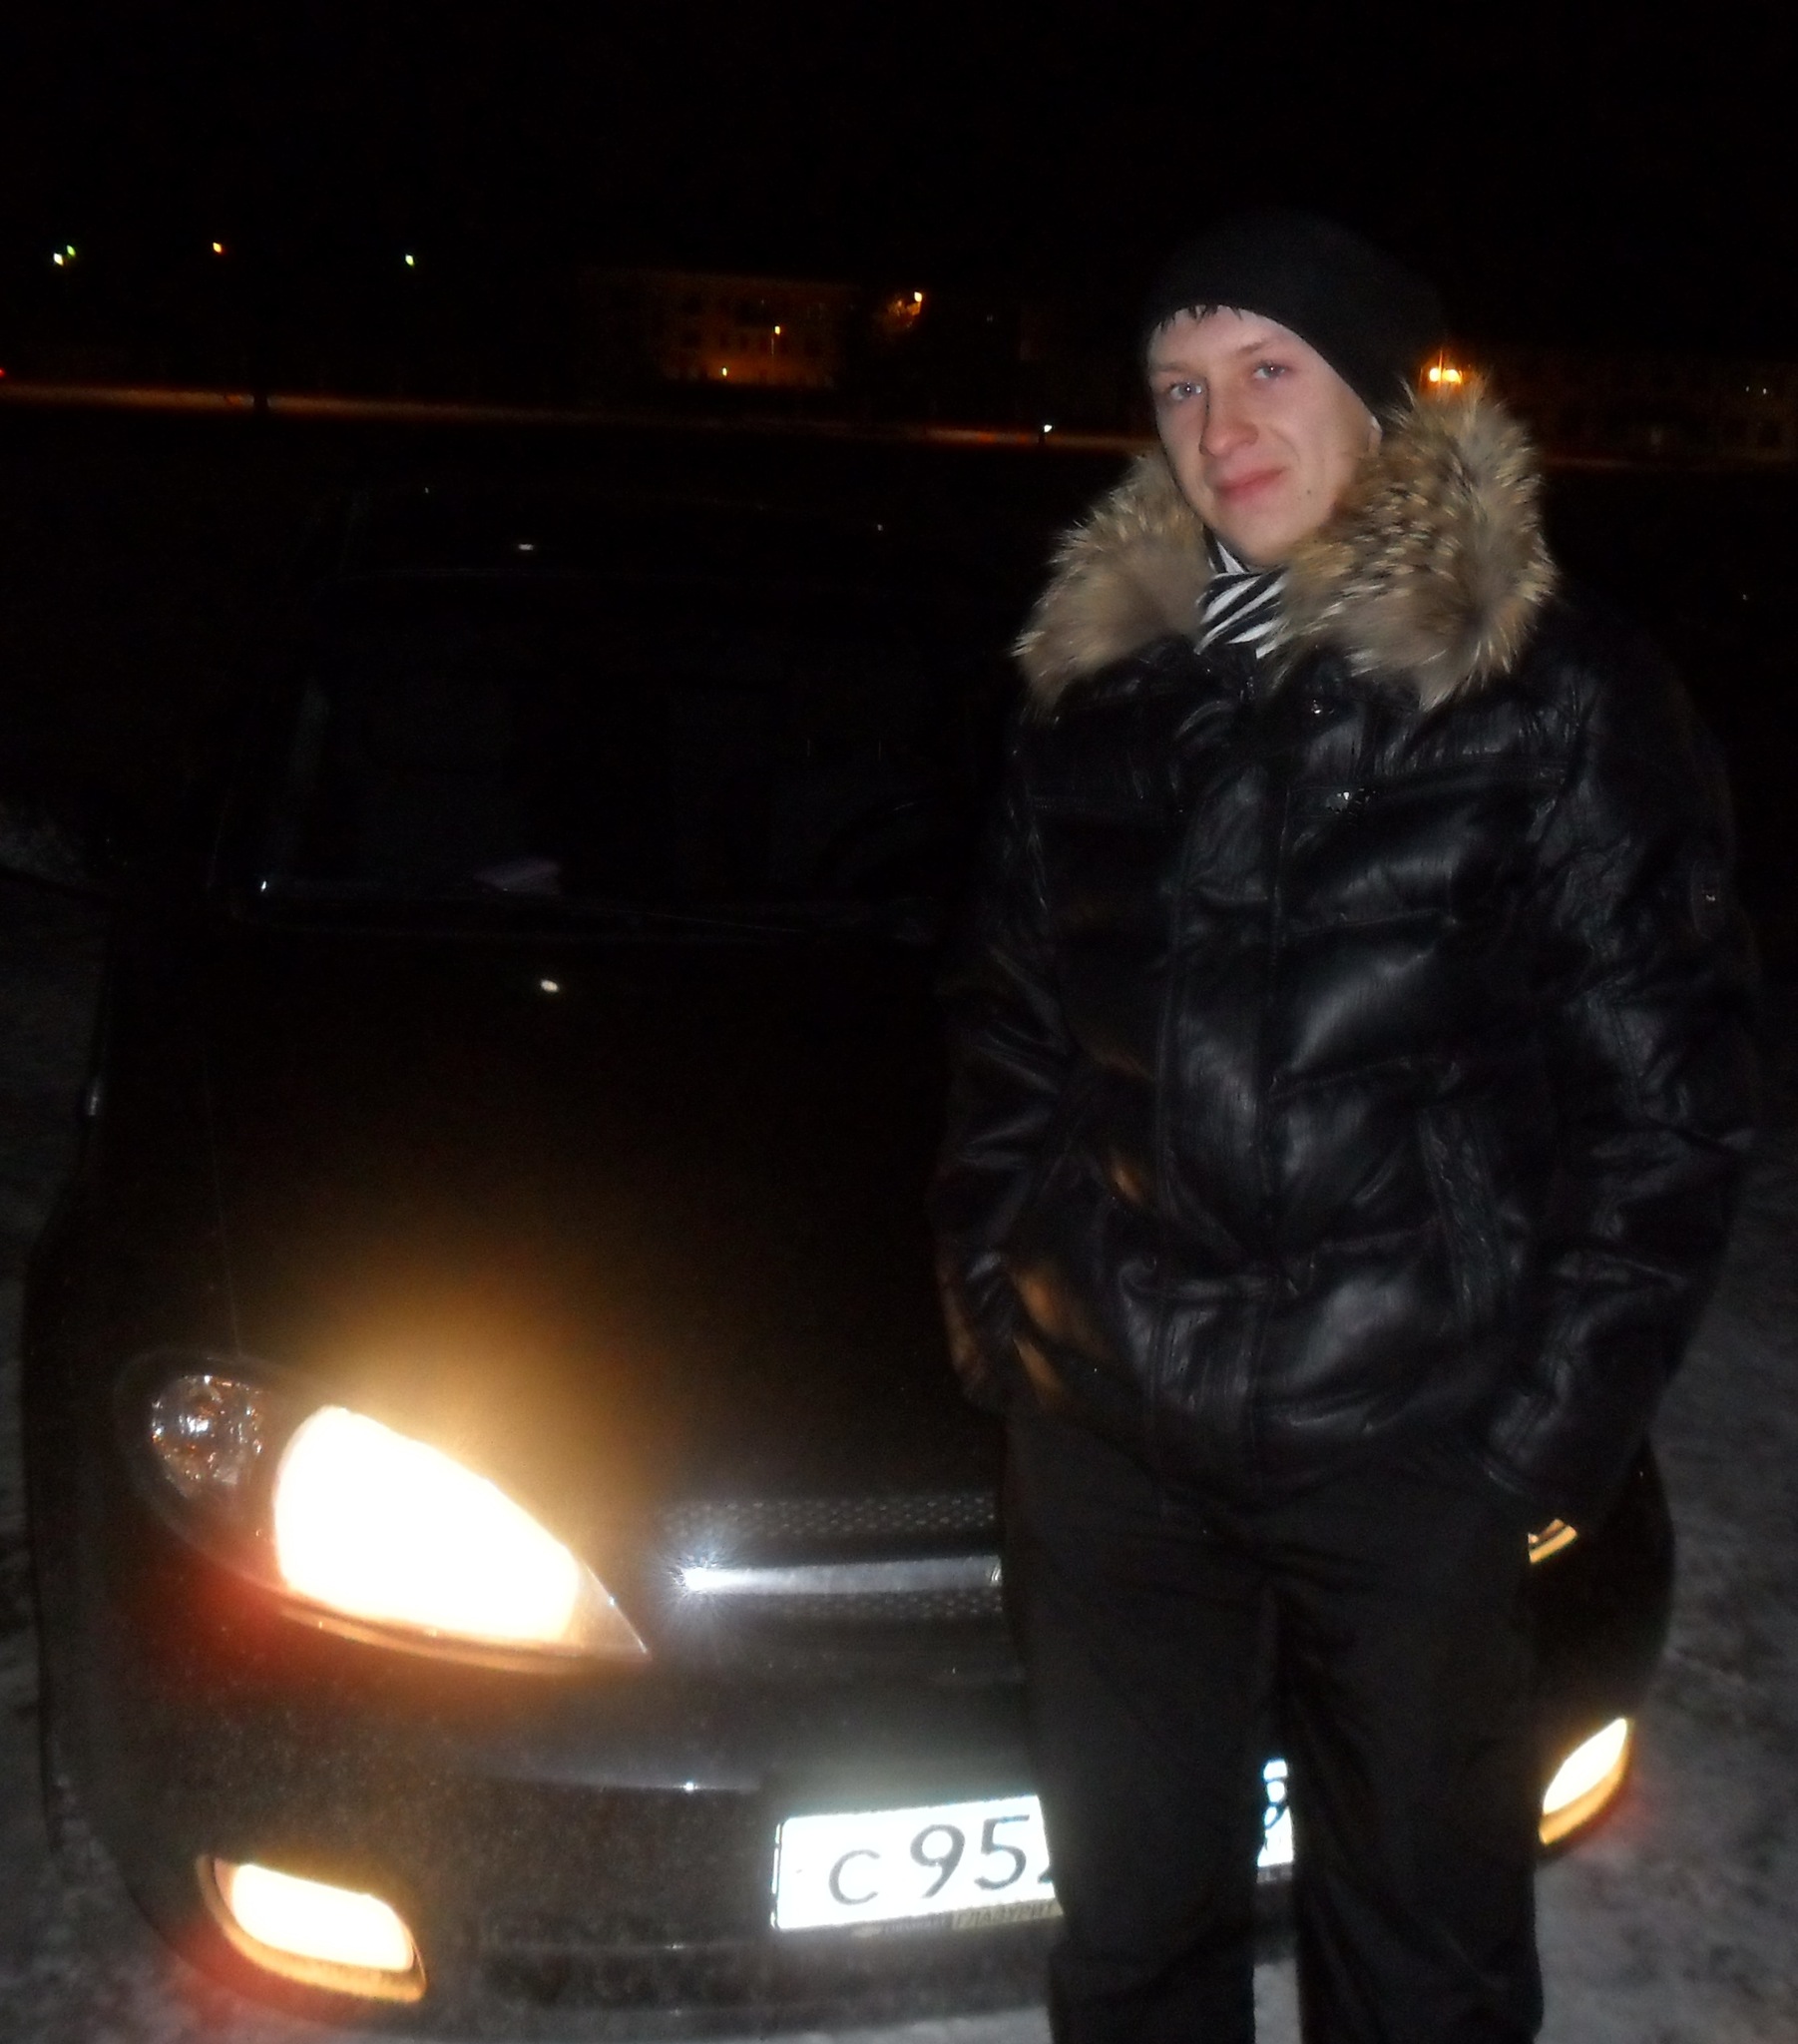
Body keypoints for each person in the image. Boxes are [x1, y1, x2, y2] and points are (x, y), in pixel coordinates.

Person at [931, 210, 1757, 2044]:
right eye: (1176, 386)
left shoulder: (1551, 689)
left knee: (1419, 1965)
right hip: (1111, 1433)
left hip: (1408, 1443)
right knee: (1129, 1943)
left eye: (1264, 370)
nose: (1216, 425)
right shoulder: (1093, 690)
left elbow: (1668, 1107)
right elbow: (1009, 1032)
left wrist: (1526, 1447)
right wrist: (1001, 1308)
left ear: (1379, 391)